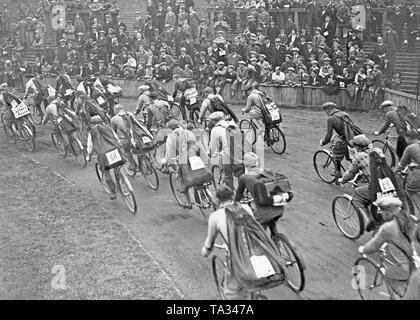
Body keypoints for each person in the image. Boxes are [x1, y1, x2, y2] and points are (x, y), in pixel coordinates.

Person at [358, 196, 420, 298]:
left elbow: (374, 245)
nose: (379, 213)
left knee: (391, 277)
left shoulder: (388, 228)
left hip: (406, 266)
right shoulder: (409, 218)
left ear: (387, 212)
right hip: (415, 259)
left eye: (380, 210)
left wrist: (363, 249)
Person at [201, 184, 253, 299]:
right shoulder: (246, 208)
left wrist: (206, 250)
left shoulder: (215, 216)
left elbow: (209, 243)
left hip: (237, 259)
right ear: (233, 196)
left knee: (231, 294)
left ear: (217, 200)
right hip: (255, 253)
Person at [234, 152, 293, 234]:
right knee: (271, 224)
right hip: (280, 209)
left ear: (245, 164)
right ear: (257, 162)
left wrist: (235, 204)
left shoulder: (244, 177)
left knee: (255, 235)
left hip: (263, 215)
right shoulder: (267, 172)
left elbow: (238, 195)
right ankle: (276, 239)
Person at [337, 134, 383, 230]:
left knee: (357, 193)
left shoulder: (359, 156)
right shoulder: (377, 151)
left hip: (376, 185)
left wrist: (342, 180)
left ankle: (370, 220)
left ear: (357, 147)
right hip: (388, 181)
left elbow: (350, 174)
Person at [161, 119, 199, 209]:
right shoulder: (188, 132)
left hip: (184, 160)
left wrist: (166, 166)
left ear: (169, 129)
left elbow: (168, 155)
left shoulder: (171, 137)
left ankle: (189, 203)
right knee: (199, 174)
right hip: (196, 157)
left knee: (182, 179)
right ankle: (203, 194)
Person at [86, 115, 122, 200]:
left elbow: (90, 147)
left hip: (103, 155)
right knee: (117, 167)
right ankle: (122, 181)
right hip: (114, 150)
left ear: (92, 124)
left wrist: (89, 156)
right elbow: (117, 139)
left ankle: (113, 192)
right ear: (101, 121)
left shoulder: (92, 132)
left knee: (106, 173)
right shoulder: (109, 128)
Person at [208, 111, 245, 191]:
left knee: (228, 176)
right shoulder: (232, 124)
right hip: (241, 152)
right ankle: (245, 192)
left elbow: (213, 146)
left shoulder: (215, 129)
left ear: (214, 121)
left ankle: (231, 197)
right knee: (241, 175)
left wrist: (211, 154)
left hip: (229, 156)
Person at [319, 102, 353, 180]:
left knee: (336, 154)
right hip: (353, 138)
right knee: (352, 156)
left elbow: (328, 136)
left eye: (325, 111)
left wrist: (323, 142)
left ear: (328, 110)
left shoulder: (331, 119)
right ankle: (359, 171)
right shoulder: (344, 114)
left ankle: (338, 173)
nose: (326, 113)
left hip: (345, 139)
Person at [396, 130, 420, 212]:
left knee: (410, 189)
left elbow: (402, 164)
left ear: (408, 138)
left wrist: (396, 171)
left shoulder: (410, 148)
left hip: (417, 177)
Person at [110, 104, 138, 171]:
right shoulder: (129, 114)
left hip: (128, 136)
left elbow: (114, 133)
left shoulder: (113, 119)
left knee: (126, 150)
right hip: (137, 134)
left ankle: (132, 165)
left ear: (115, 111)